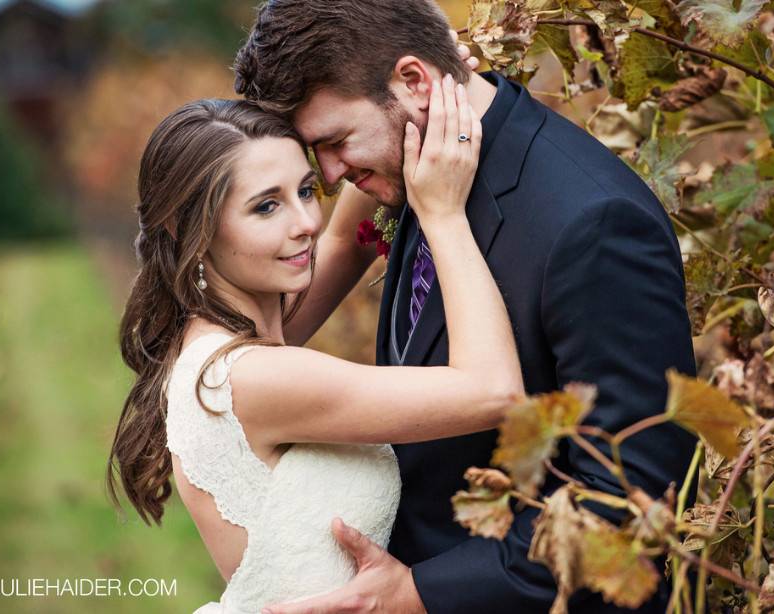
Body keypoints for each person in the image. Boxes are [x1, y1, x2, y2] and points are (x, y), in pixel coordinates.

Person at [233, 1, 698, 613]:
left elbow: (628, 499)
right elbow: (346, 241)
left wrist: (417, 595)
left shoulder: (594, 225)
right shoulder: (425, 157)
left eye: (337, 142)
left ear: (414, 82)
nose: (330, 174)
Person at [107, 73, 524, 613]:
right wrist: (443, 215)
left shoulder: (221, 334)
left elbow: (341, 240)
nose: (305, 220)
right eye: (266, 207)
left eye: (306, 190)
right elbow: (492, 392)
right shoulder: (253, 377)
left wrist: (417, 86)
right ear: (191, 230)